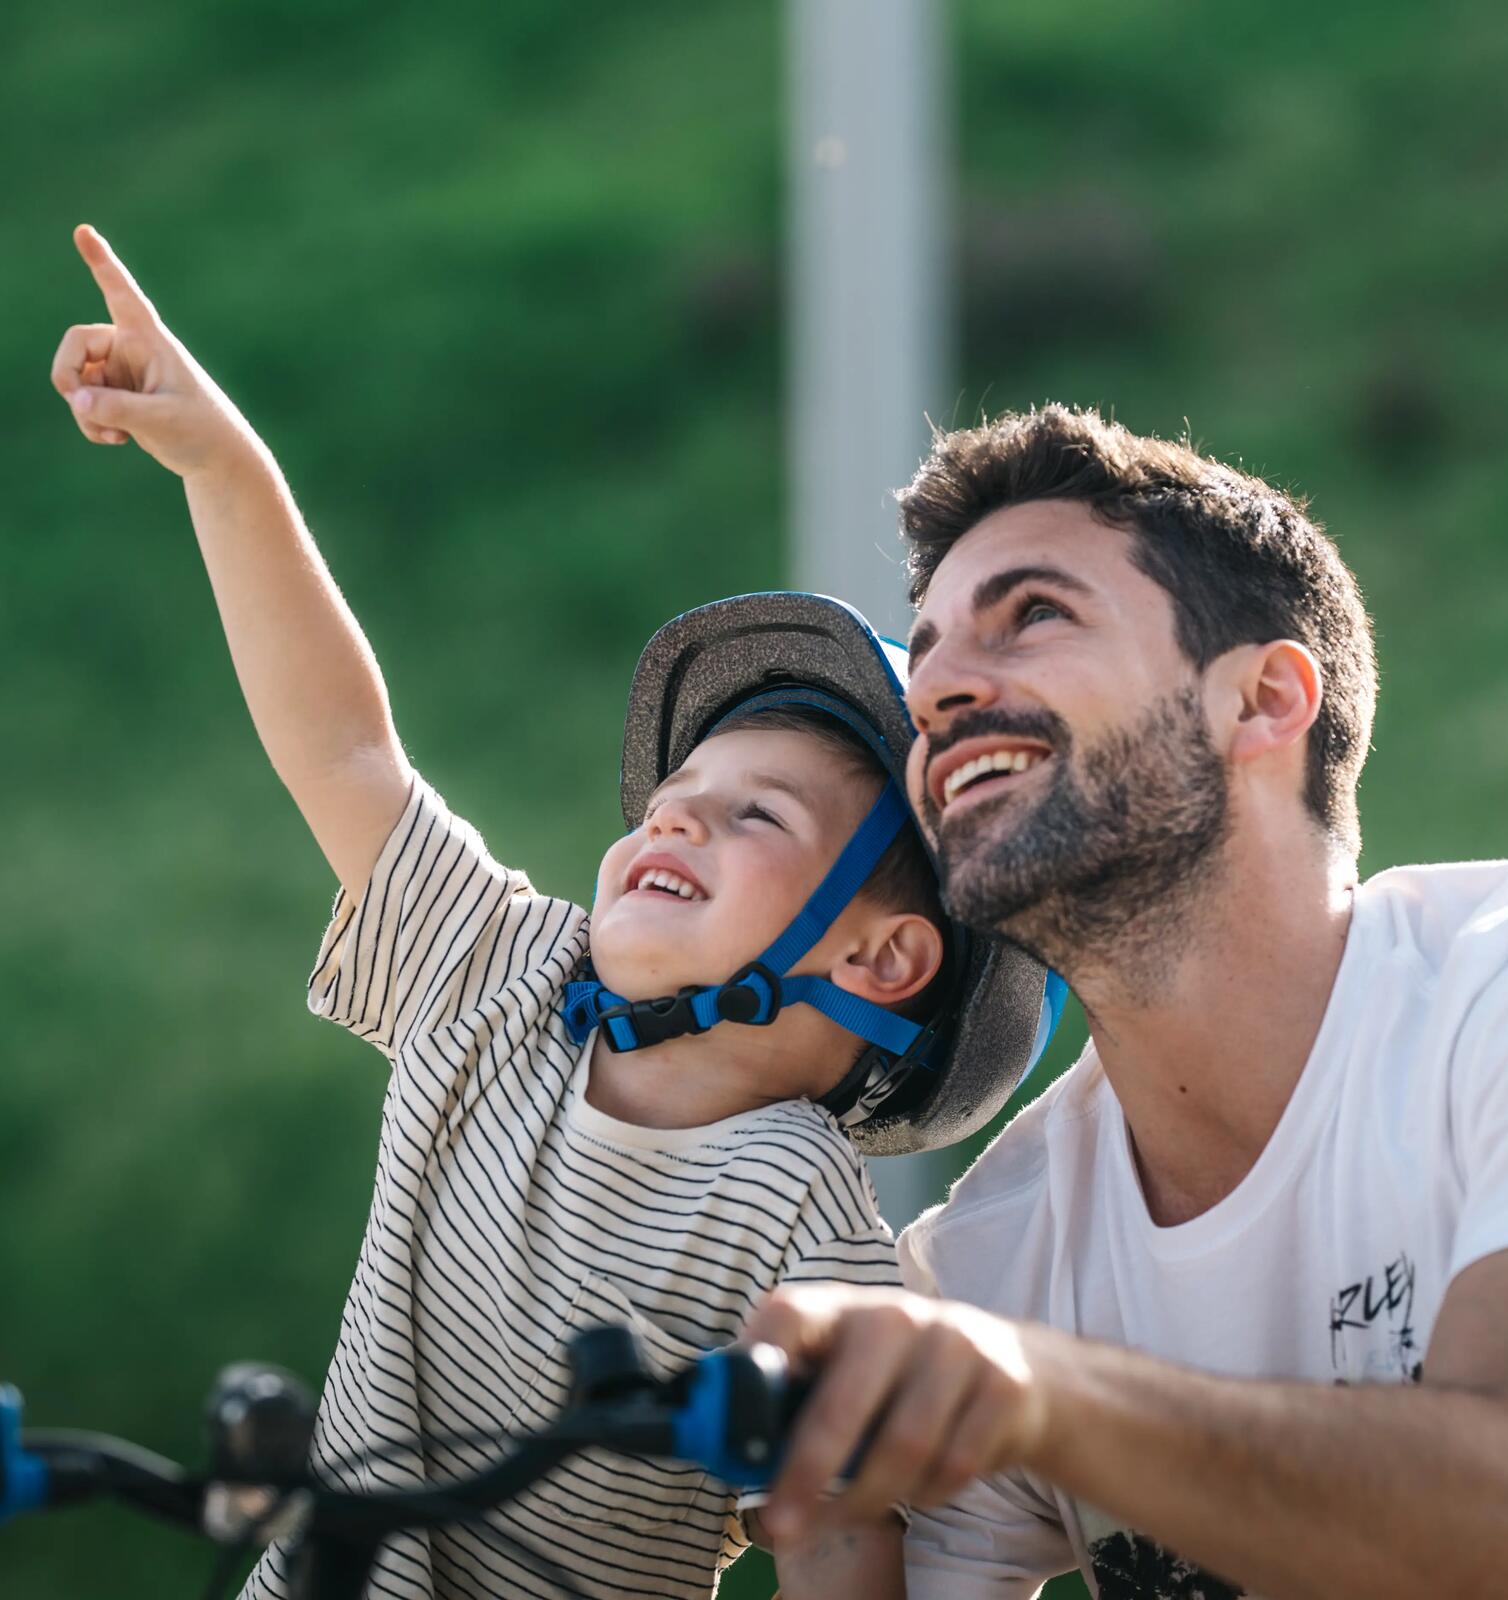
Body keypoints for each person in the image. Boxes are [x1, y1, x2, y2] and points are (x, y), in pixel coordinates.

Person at [46, 225, 1065, 1599]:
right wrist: (227, 467)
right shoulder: (499, 973)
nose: (674, 817)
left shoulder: (799, 1214)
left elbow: (838, 1532)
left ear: (880, 958)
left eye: (755, 814)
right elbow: (345, 750)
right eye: (673, 795)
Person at [743, 406, 1508, 1599]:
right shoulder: (995, 1263)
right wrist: (831, 1526)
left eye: (1032, 614)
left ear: (1263, 701)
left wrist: (1041, 1396)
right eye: (925, 655)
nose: (932, 694)